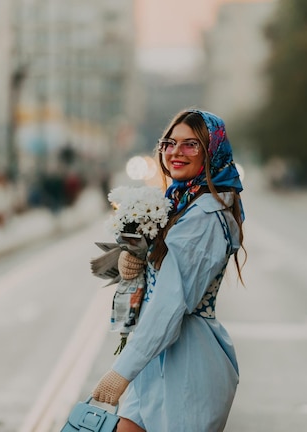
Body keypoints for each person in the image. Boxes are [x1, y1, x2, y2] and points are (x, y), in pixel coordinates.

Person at [92, 109, 246, 431]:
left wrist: (122, 370)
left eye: (191, 145)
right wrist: (132, 265)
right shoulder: (179, 203)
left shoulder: (204, 217)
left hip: (188, 368)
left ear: (212, 152)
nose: (176, 152)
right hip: (154, 365)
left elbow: (171, 303)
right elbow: (160, 282)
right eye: (170, 143)